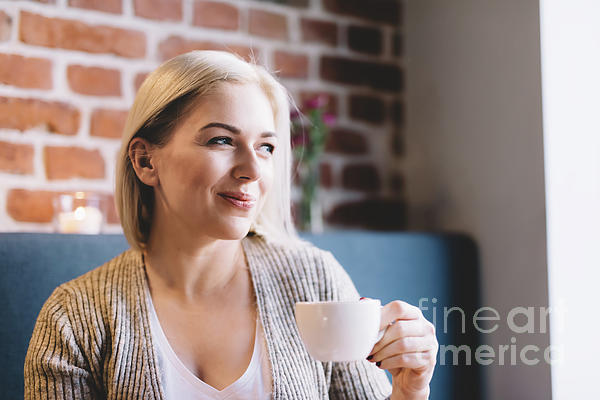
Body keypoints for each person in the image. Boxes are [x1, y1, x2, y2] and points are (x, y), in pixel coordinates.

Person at [24, 50, 438, 399]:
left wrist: (409, 390)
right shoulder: (75, 317)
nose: (253, 169)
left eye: (266, 147)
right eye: (221, 140)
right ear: (146, 161)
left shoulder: (313, 278)